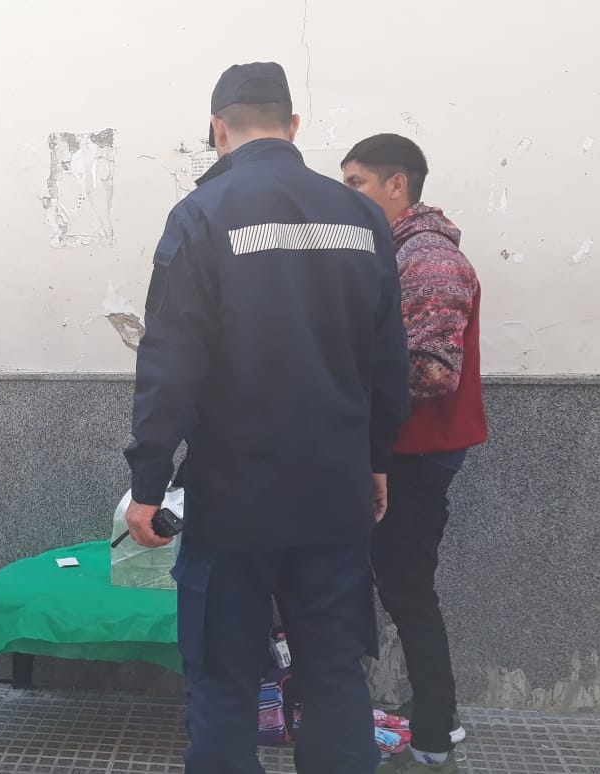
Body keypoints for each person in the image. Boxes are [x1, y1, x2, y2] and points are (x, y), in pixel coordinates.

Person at [123, 62, 411, 774]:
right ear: (293, 126)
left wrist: (149, 481)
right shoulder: (362, 217)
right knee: (334, 674)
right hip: (335, 492)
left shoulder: (202, 214)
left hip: (235, 499)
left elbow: (171, 363)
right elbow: (388, 360)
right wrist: (376, 461)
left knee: (225, 677)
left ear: (217, 128)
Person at [342, 133, 487, 773]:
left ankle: (433, 735)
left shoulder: (427, 258)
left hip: (416, 453)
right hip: (402, 448)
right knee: (402, 586)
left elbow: (430, 371)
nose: (349, 197)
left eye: (357, 184)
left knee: (407, 590)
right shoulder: (397, 251)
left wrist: (337, 384)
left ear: (396, 184)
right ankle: (436, 717)